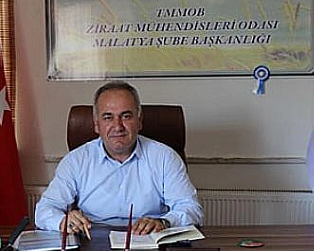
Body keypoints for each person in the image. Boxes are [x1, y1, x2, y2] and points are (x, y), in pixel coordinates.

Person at [35, 81, 203, 235]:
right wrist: (63, 221)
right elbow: (44, 210)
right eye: (108, 117)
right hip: (92, 242)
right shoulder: (76, 161)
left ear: (139, 121)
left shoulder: (165, 157)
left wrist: (164, 222)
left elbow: (191, 209)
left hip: (149, 241)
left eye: (126, 116)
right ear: (96, 124)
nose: (117, 126)